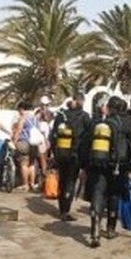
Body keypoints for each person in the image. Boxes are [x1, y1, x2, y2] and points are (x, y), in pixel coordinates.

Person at [85, 96, 131, 247]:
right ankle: (110, 229)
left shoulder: (101, 124)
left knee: (98, 194)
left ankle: (95, 231)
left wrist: (86, 166)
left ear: (110, 108)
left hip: (100, 165)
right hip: (120, 166)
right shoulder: (128, 124)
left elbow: (87, 144)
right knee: (114, 195)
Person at [52, 93, 90, 221]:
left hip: (61, 153)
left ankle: (61, 208)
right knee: (70, 181)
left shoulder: (61, 116)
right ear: (82, 102)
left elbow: (53, 136)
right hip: (75, 154)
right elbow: (87, 138)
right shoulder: (84, 117)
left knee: (62, 181)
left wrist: (54, 153)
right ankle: (65, 211)